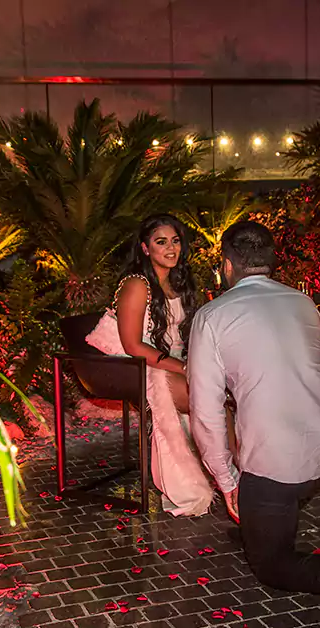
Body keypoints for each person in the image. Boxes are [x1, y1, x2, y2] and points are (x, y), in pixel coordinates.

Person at [186, 221, 320, 628]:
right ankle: (268, 519)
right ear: (271, 261)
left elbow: (204, 414)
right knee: (276, 485)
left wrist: (227, 482)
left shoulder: (212, 316)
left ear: (227, 265)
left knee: (271, 564)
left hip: (278, 463)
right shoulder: (302, 302)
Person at [86, 214, 217, 516]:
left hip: (166, 361)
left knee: (222, 392)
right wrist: (182, 367)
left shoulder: (176, 281)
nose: (171, 249)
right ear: (145, 248)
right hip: (133, 366)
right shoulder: (136, 285)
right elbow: (132, 345)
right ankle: (230, 475)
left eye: (175, 241)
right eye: (161, 242)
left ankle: (233, 472)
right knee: (210, 397)